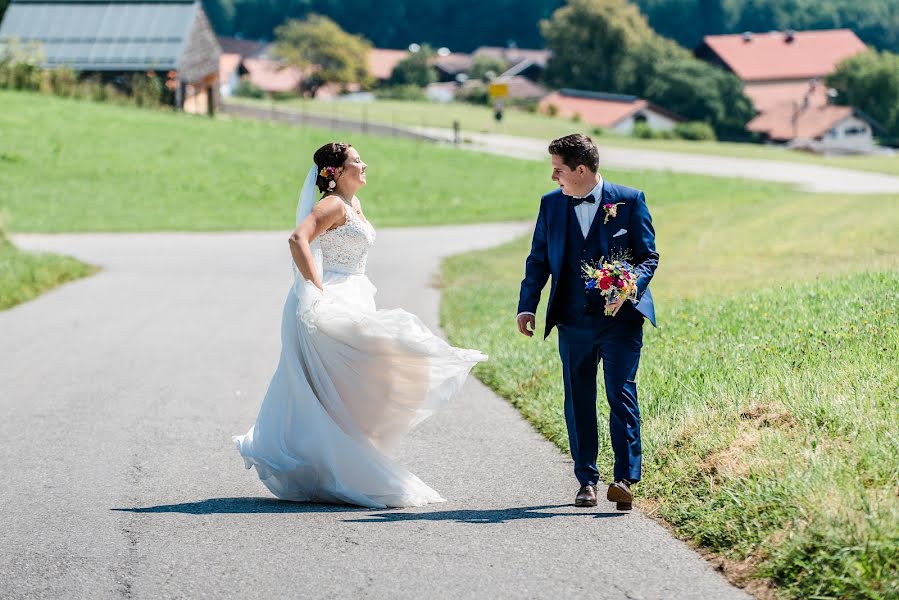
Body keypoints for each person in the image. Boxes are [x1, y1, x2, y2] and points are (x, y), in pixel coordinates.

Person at [234, 142, 486, 508]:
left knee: (354, 383)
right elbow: (297, 238)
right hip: (327, 299)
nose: (364, 164)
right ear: (335, 172)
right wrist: (315, 290)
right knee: (348, 376)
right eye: (356, 161)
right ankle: (335, 467)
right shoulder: (332, 204)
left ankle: (333, 465)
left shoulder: (353, 205)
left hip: (354, 293)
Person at [516, 134, 658, 510]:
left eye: (557, 170)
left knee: (620, 393)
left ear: (580, 170)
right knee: (578, 399)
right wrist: (527, 305)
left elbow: (649, 257)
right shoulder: (550, 206)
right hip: (573, 321)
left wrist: (628, 286)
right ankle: (587, 480)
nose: (553, 178)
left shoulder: (630, 200)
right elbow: (538, 260)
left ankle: (625, 480)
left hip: (621, 321)